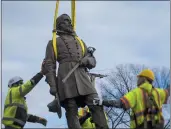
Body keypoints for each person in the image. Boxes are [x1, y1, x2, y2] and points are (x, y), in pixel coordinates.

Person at [44, 14, 108, 129]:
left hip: (83, 77)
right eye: (66, 21)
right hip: (65, 79)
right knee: (71, 109)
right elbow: (49, 65)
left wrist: (87, 60)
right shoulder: (53, 42)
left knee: (96, 103)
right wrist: (52, 85)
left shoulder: (80, 41)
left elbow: (92, 60)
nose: (70, 23)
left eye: (70, 21)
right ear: (59, 25)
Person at [93, 69, 170, 129]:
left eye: (139, 78)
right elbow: (168, 92)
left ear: (143, 78)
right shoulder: (159, 92)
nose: (137, 80)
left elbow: (120, 103)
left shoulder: (136, 93)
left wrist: (102, 102)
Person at [2, 61, 48, 129]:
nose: (22, 85)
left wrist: (38, 119)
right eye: (20, 83)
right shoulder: (13, 91)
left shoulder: (18, 100)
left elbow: (24, 116)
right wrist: (41, 73)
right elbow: (27, 86)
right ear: (14, 84)